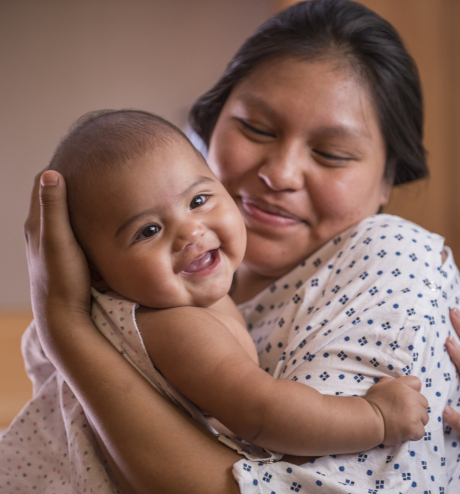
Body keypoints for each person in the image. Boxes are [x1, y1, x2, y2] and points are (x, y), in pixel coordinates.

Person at [13, 0, 460, 492]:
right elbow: (260, 413)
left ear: (387, 180)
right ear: (208, 126)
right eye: (255, 129)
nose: (281, 173)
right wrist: (65, 323)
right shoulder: (167, 306)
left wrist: (67, 324)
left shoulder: (391, 259)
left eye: (331, 153)